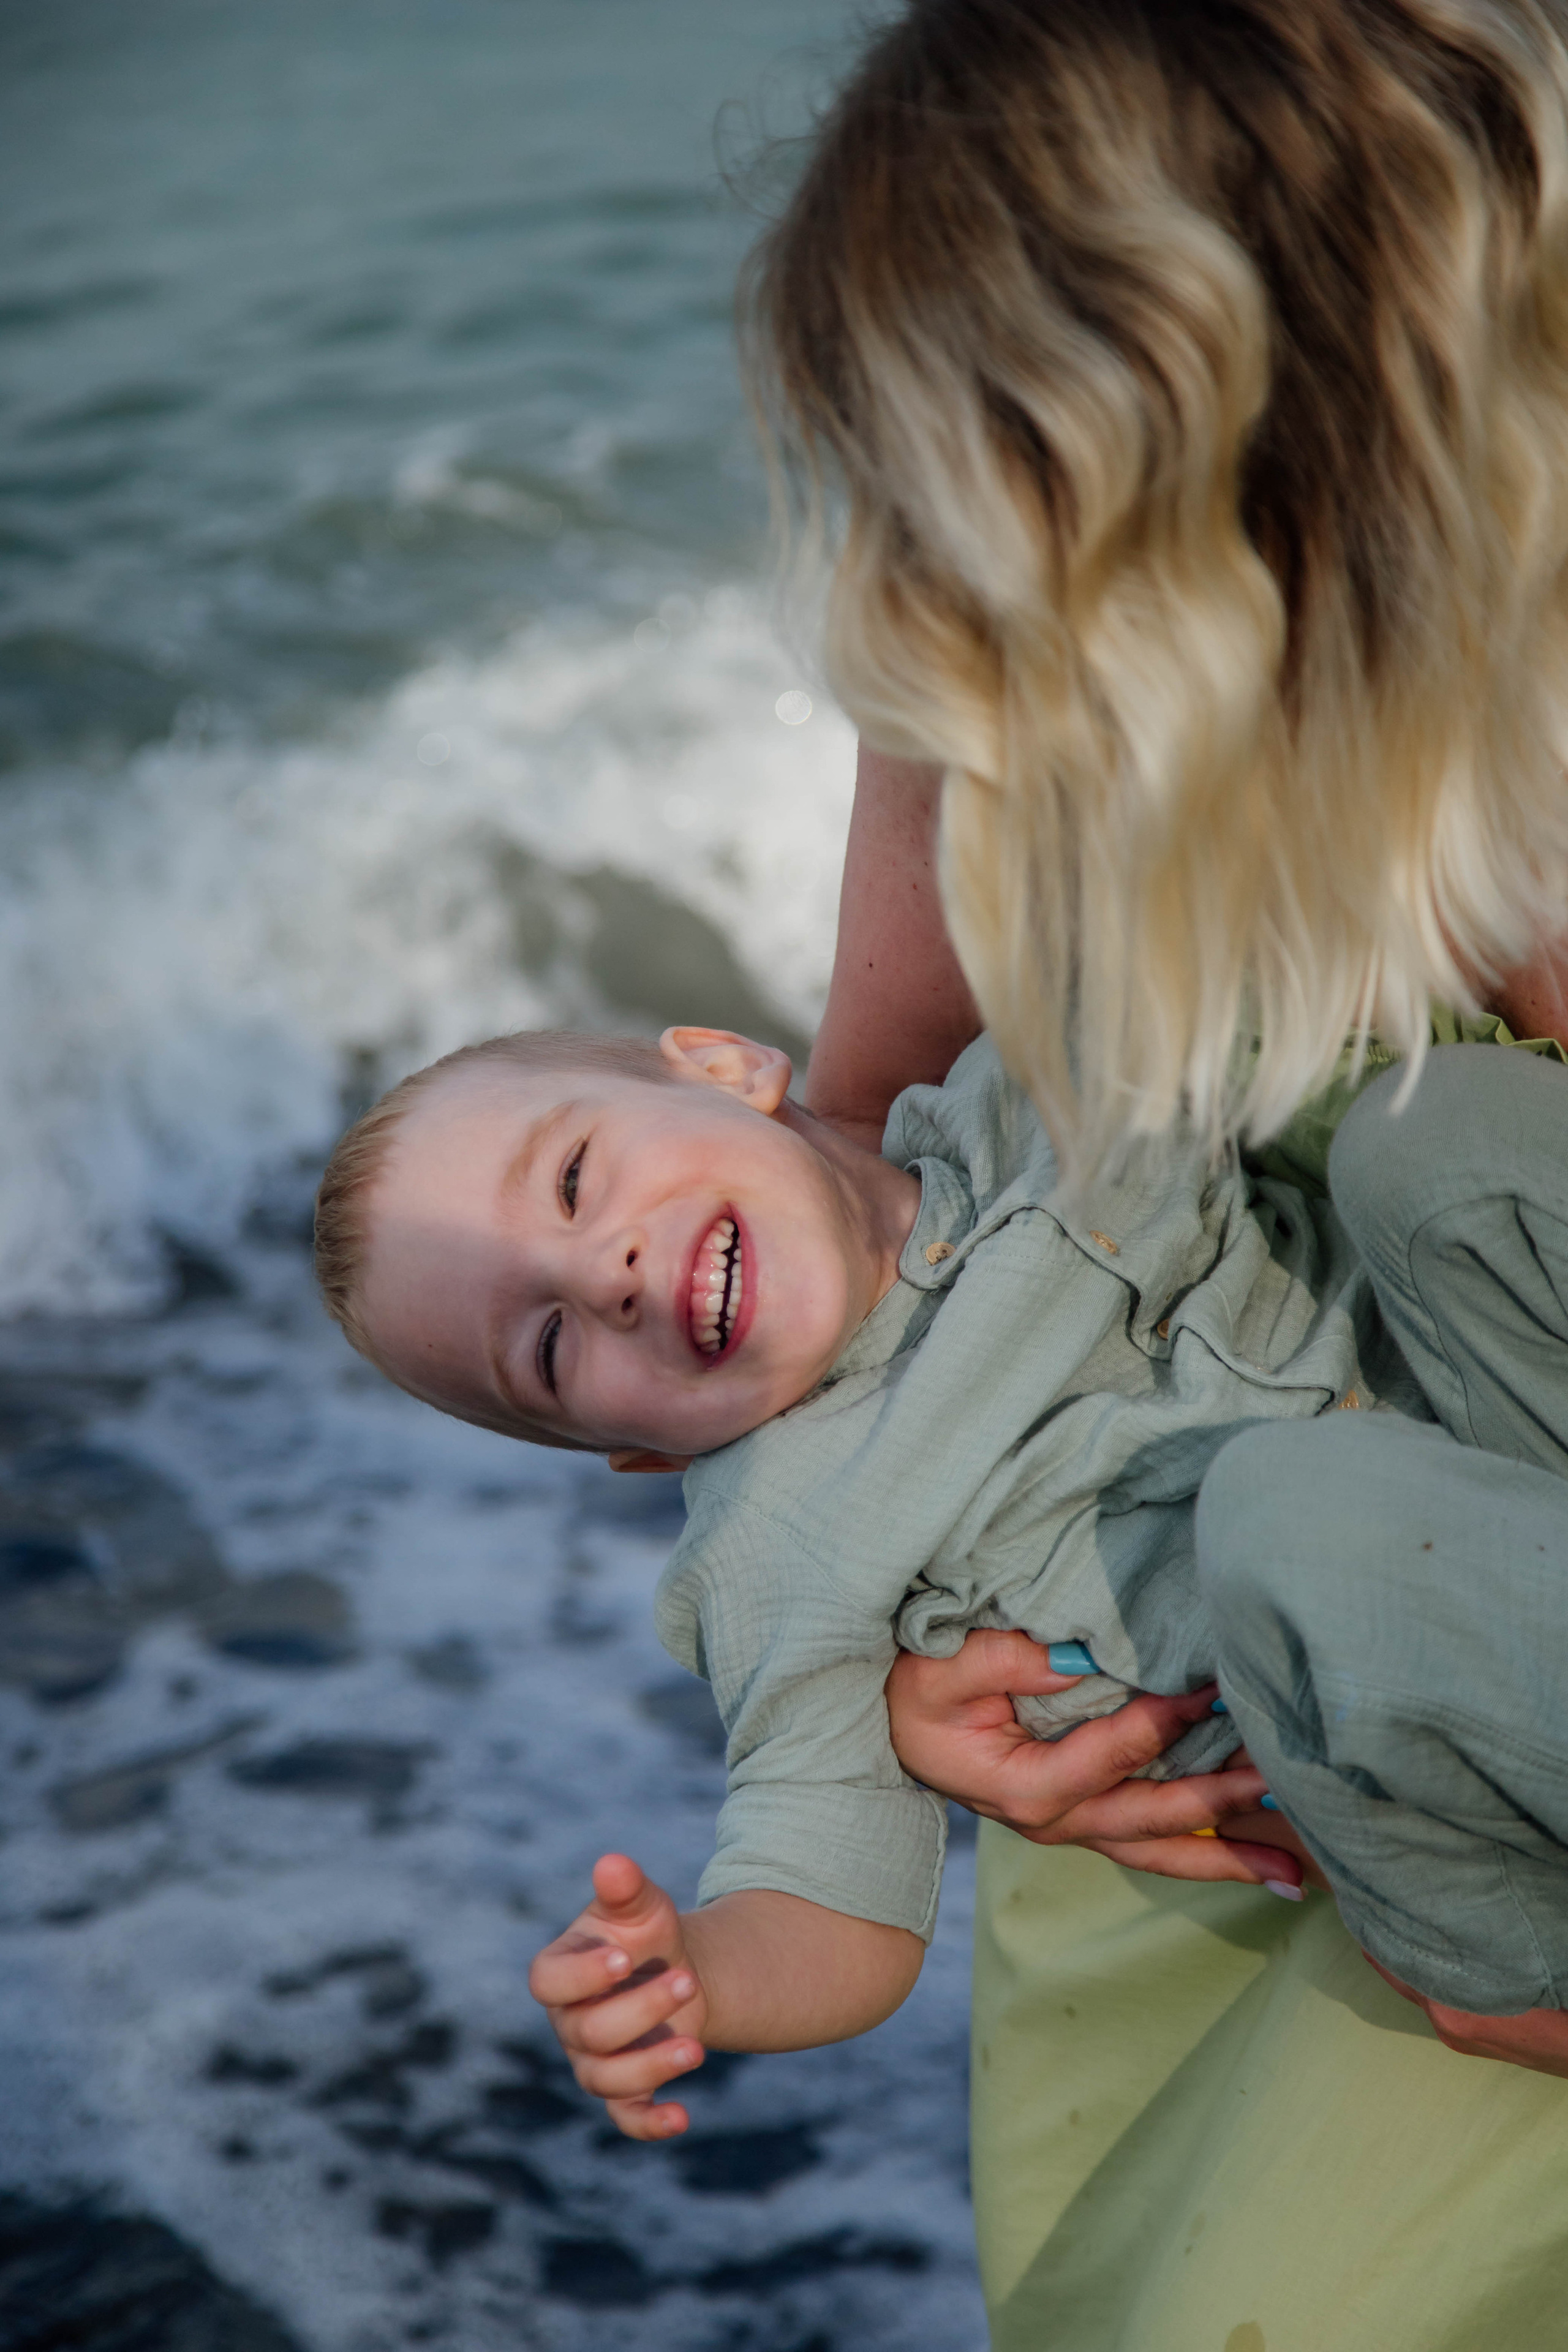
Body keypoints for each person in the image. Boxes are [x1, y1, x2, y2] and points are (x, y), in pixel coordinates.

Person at [311, 1005, 1568, 2130]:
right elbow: (828, 1896)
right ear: (639, 1458)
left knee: (1434, 1133)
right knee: (1294, 1512)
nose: (605, 1275)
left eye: (577, 1178)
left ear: (721, 1064)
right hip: (1443, 1751)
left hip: (1512, 1451)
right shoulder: (778, 1542)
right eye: (546, 1348)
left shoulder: (1037, 1087)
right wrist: (698, 1969)